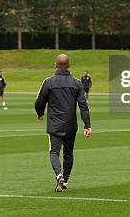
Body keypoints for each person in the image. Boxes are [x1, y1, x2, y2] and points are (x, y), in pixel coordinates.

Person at [35, 54, 91, 192]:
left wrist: (40, 113)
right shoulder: (77, 83)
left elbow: (40, 101)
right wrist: (87, 125)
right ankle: (65, 180)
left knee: (54, 152)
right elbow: (83, 105)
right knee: (68, 153)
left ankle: (59, 174)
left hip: (54, 125)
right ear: (69, 65)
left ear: (55, 65)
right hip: (71, 125)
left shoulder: (48, 82)